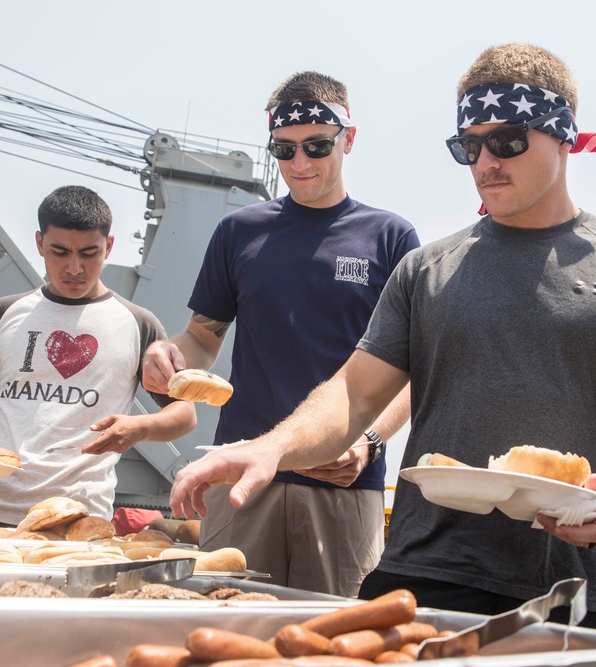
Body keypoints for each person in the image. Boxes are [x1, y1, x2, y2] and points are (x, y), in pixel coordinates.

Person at [161, 43, 596, 631]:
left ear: (564, 135)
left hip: (575, 580)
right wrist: (271, 446)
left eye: (508, 140)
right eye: (470, 145)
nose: (486, 161)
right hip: (422, 570)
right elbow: (354, 393)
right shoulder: (425, 270)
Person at [143, 71, 420, 596]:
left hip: (342, 478)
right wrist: (168, 352)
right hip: (241, 476)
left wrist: (369, 442)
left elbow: (413, 371)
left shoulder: (391, 237)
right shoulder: (238, 232)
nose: (299, 164)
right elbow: (202, 336)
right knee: (227, 626)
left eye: (317, 146)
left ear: (349, 139)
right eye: (284, 149)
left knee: (337, 638)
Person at [0, 185, 197, 527]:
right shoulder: (5, 312)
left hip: (75, 518)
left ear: (109, 246)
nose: (74, 267)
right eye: (59, 251)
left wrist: (140, 426)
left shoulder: (138, 324)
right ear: (40, 243)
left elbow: (184, 413)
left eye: (89, 253)